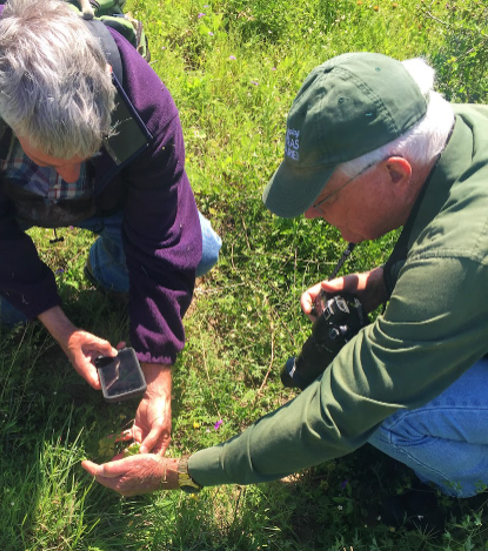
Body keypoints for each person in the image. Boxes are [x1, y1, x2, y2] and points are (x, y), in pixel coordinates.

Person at [82, 52, 488, 511]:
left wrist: (179, 472)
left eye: (324, 196)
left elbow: (339, 413)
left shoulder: (462, 256)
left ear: (395, 171)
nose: (312, 213)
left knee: (389, 413)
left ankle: (467, 490)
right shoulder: (465, 133)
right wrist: (376, 283)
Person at [0, 0, 221, 456]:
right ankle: (20, 306)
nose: (71, 176)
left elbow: (165, 236)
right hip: (7, 196)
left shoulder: (145, 105)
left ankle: (109, 272)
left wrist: (157, 379)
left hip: (110, 201)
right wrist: (58, 324)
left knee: (203, 249)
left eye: (87, 152)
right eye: (52, 161)